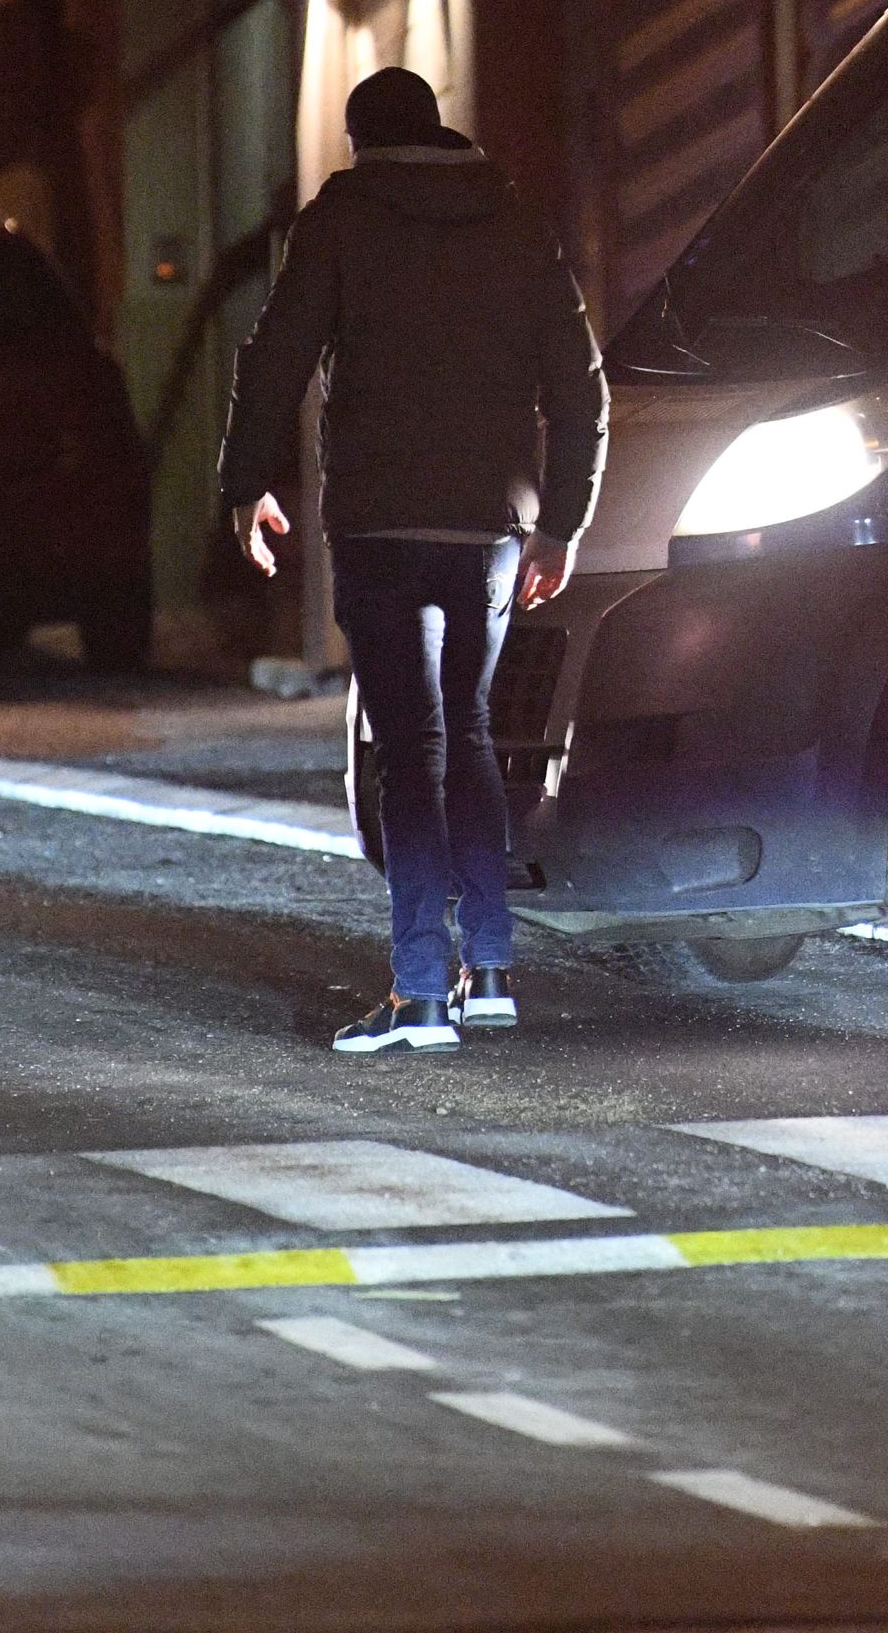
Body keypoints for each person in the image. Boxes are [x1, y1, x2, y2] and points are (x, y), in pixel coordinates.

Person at [221, 67, 608, 1053]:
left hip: (380, 522)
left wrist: (245, 484)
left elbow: (275, 354)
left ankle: (418, 992)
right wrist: (561, 522)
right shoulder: (518, 225)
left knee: (409, 750)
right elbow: (581, 389)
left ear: (359, 140)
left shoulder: (342, 218)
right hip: (488, 528)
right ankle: (492, 971)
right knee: (471, 733)